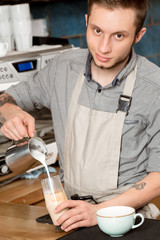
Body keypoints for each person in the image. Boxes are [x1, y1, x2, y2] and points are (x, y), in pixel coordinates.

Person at [0, 0, 160, 232]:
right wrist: (11, 111)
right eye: (97, 31)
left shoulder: (154, 87)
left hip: (127, 220)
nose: (103, 48)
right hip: (70, 214)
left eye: (118, 36)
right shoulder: (62, 69)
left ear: (138, 35)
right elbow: (5, 99)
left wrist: (99, 212)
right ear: (86, 22)